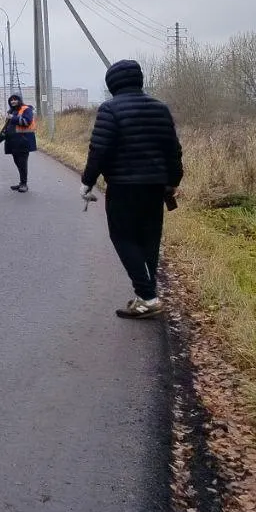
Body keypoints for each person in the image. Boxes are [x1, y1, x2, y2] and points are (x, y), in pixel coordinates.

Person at [80, 59, 183, 320]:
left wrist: (88, 181)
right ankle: (147, 294)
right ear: (139, 79)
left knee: (123, 238)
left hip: (124, 187)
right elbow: (173, 149)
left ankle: (147, 297)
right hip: (155, 187)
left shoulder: (110, 109)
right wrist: (173, 181)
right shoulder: (161, 108)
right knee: (149, 239)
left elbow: (99, 150)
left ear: (112, 83)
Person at [0, 93, 36, 192]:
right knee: (18, 163)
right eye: (11, 100)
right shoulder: (11, 112)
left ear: (19, 100)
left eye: (15, 99)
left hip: (23, 142)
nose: (13, 101)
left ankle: (24, 184)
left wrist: (12, 118)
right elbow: (7, 128)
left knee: (22, 163)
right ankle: (21, 182)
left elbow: (26, 122)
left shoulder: (27, 109)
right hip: (13, 143)